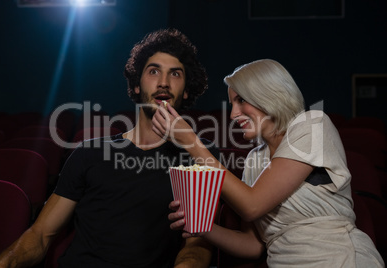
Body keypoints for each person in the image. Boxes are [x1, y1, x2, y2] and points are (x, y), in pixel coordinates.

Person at [0, 28, 219, 268]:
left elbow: (196, 247)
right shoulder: (90, 153)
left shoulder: (200, 157)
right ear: (137, 85)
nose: (163, 82)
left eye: (176, 74)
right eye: (154, 71)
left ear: (187, 90)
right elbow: (40, 235)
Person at [152, 59, 385, 267]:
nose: (233, 114)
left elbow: (252, 205)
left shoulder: (312, 125)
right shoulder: (254, 160)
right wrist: (202, 227)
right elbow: (253, 246)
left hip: (336, 258)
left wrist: (192, 143)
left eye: (241, 100)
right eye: (232, 103)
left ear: (270, 94)